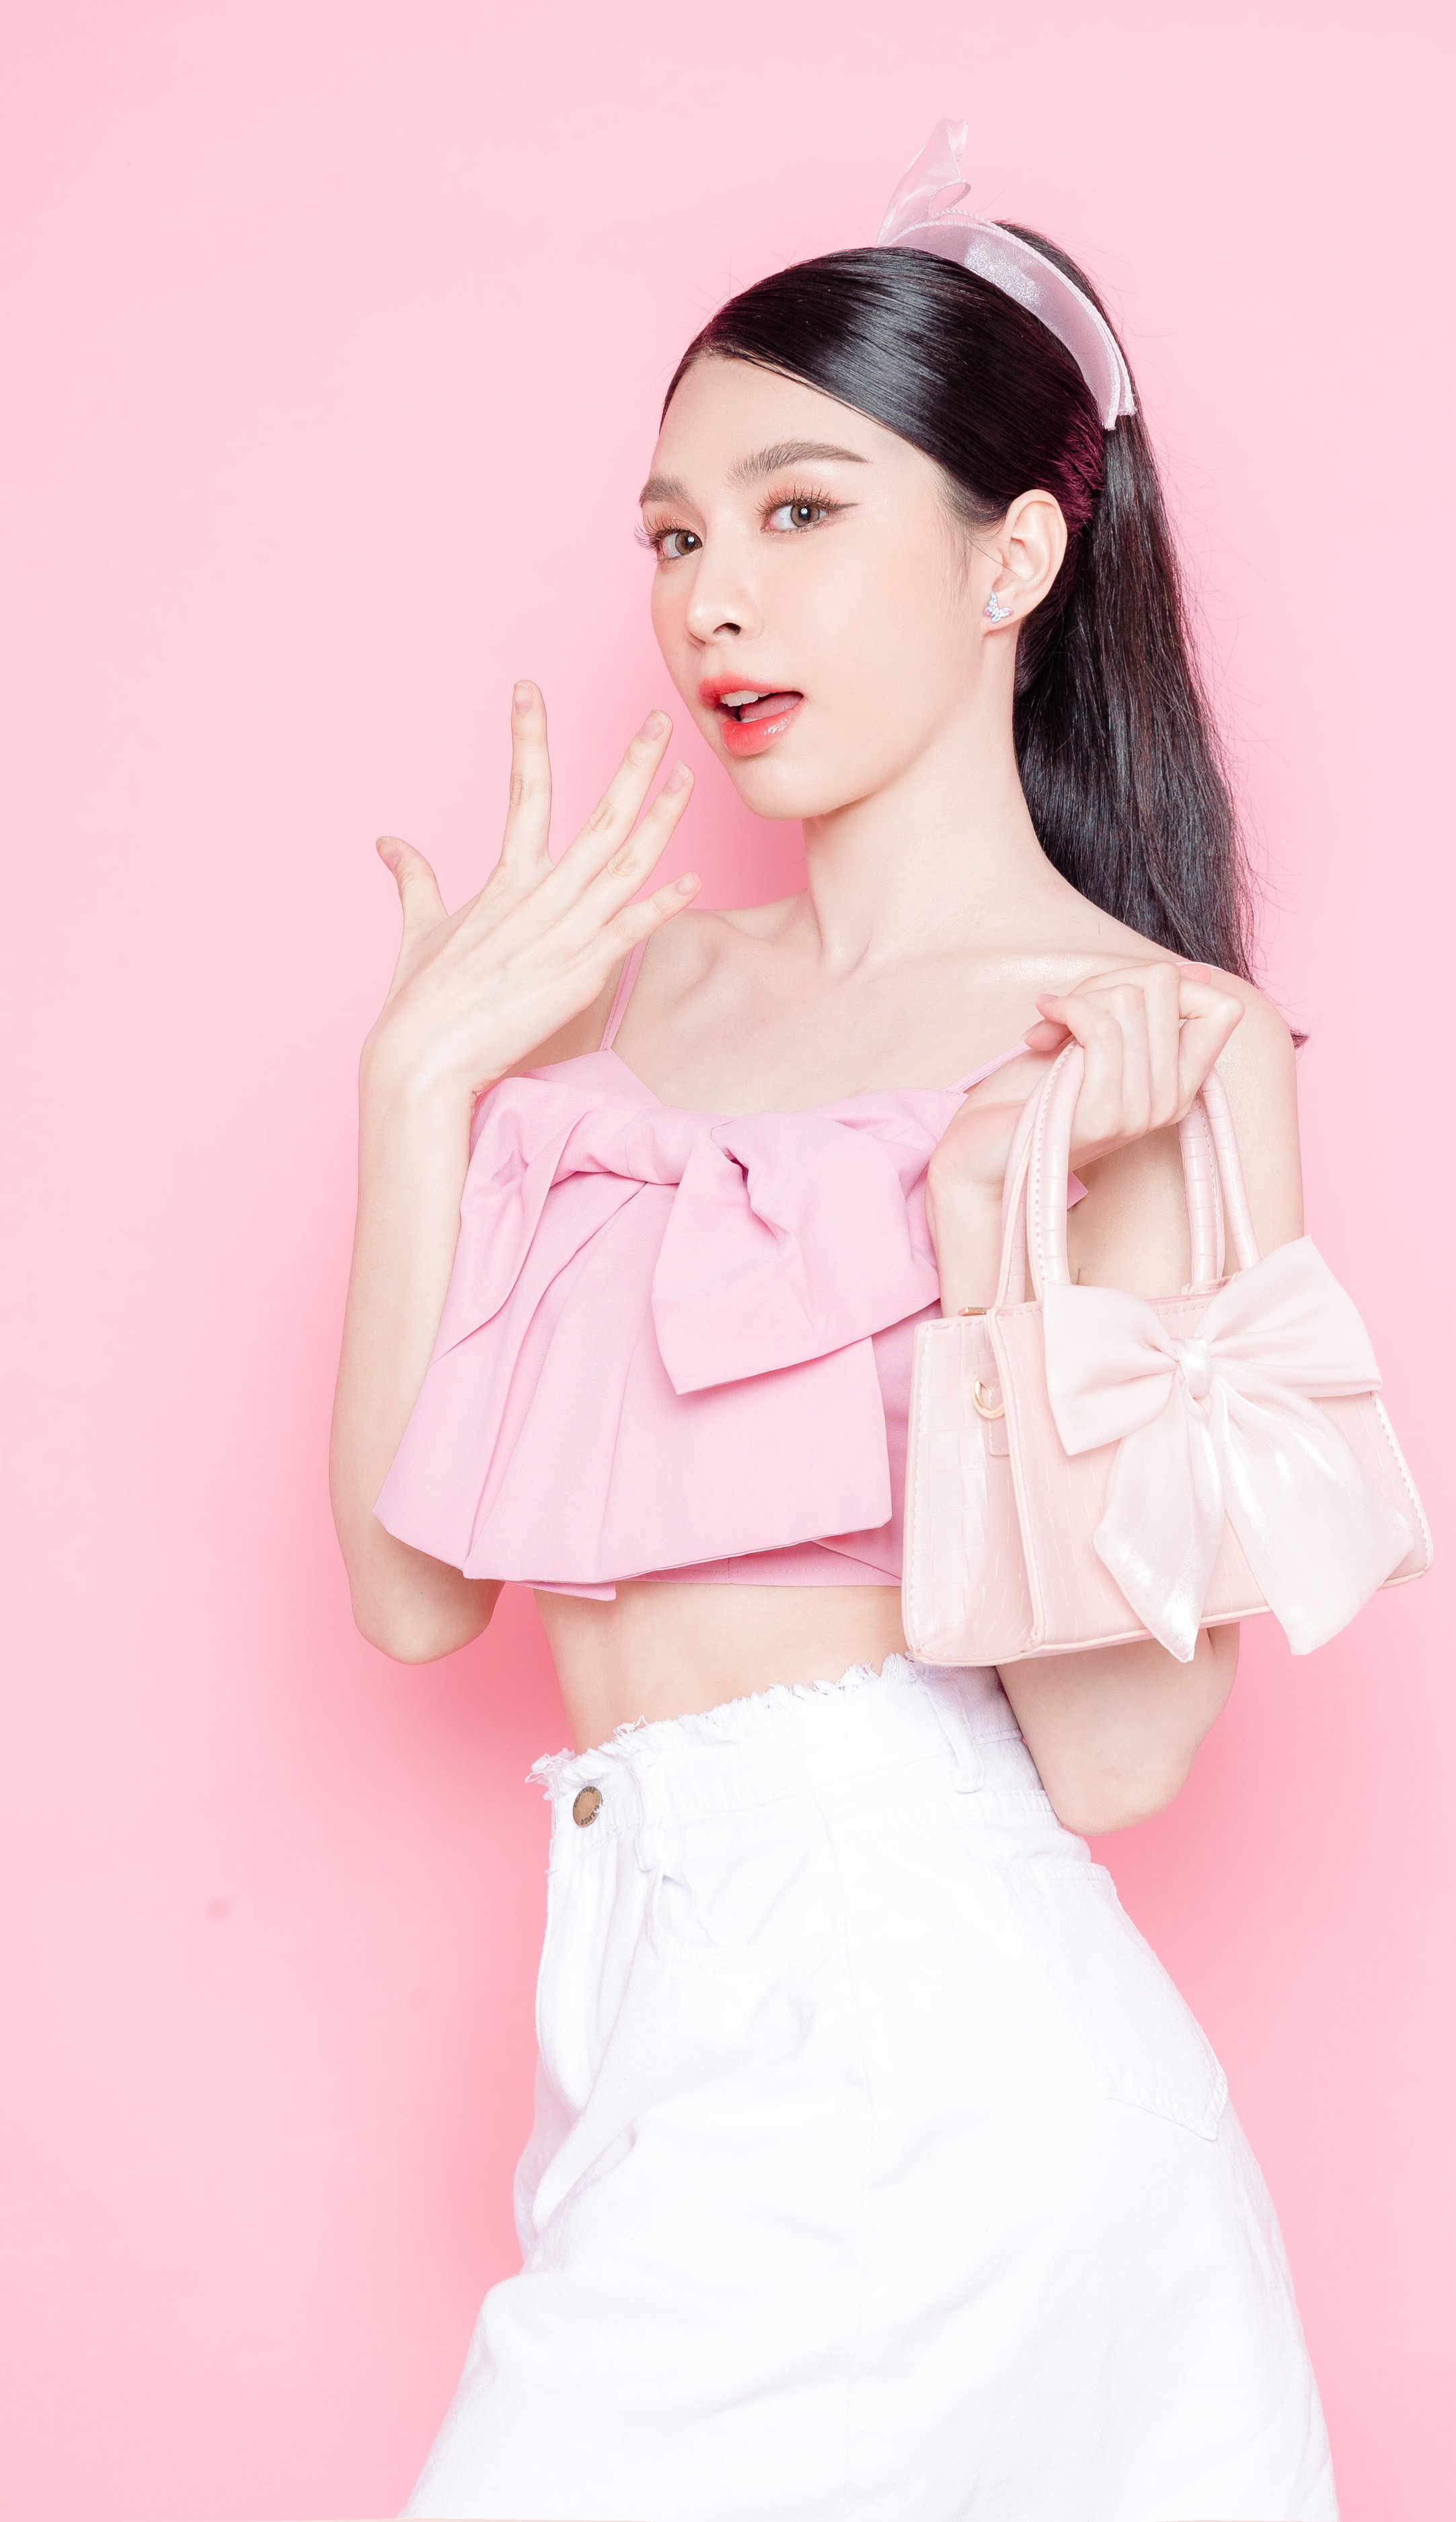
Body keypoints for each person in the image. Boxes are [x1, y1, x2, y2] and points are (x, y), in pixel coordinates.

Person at [331, 124, 1338, 2522]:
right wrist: (414, 1086)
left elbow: (1114, 1756)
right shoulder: (634, 1004)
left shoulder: (1151, 1047)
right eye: (676, 535)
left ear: (1015, 551)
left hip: (925, 2062)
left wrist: (1009, 1245)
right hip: (649, 2030)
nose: (709, 603)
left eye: (799, 514)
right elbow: (408, 1593)